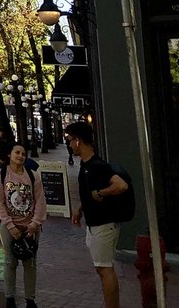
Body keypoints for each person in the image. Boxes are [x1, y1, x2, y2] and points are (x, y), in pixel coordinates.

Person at [66, 120, 130, 308]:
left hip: (103, 224)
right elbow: (89, 192)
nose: (70, 145)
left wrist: (101, 193)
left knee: (105, 269)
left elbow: (121, 185)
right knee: (102, 268)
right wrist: (80, 209)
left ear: (78, 140)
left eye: (70, 140)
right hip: (96, 223)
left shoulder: (96, 165)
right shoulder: (87, 165)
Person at [0, 143, 46, 308]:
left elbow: (40, 201)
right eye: (17, 152)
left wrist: (34, 224)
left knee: (30, 263)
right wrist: (10, 225)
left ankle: (30, 299)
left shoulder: (33, 176)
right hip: (10, 226)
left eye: (23, 153)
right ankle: (10, 298)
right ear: (9, 154)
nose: (20, 156)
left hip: (30, 227)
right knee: (10, 262)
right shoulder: (0, 175)